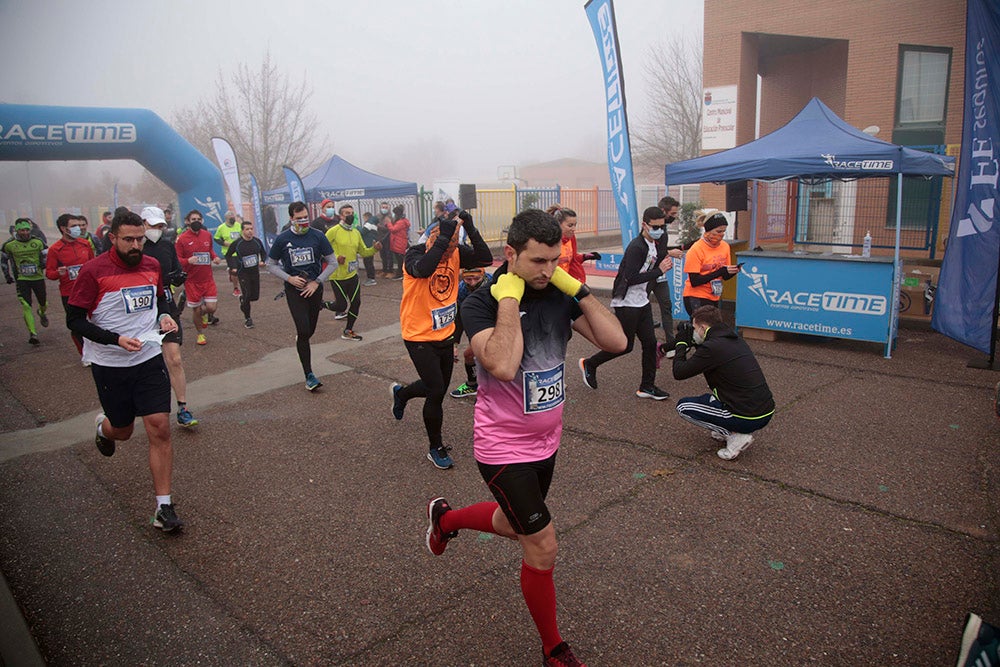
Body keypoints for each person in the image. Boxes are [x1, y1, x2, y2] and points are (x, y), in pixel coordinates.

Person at [425, 208, 626, 667]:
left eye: (555, 259)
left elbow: (616, 343)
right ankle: (553, 649)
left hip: (546, 442)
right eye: (538, 261)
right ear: (510, 253)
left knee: (517, 527)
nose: (548, 270)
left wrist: (578, 289)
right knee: (542, 542)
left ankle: (446, 521)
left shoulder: (557, 291)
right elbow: (501, 364)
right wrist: (509, 299)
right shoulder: (480, 302)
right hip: (501, 446)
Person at [66, 209, 184, 532]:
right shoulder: (93, 272)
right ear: (113, 238)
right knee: (124, 430)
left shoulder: (152, 265)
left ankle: (164, 507)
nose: (136, 246)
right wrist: (115, 340)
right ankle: (104, 428)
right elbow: (74, 320)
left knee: (159, 426)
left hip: (147, 357)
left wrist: (164, 315)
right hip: (110, 364)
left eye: (140, 239)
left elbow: (161, 299)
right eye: (128, 240)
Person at [390, 207, 491, 469]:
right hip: (418, 335)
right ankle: (435, 447)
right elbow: (424, 270)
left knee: (436, 387)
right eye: (444, 238)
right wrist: (444, 238)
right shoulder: (415, 254)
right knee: (435, 391)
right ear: (430, 235)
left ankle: (402, 394)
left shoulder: (455, 250)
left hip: (444, 333)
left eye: (454, 241)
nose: (450, 247)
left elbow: (485, 258)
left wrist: (468, 227)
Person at [579, 206, 673, 401]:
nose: (659, 230)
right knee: (625, 345)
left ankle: (647, 386)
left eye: (661, 227)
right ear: (644, 225)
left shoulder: (655, 243)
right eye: (655, 227)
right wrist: (660, 271)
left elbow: (656, 260)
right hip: (626, 303)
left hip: (642, 301)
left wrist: (672, 255)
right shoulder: (636, 247)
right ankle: (590, 363)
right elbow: (630, 278)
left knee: (650, 343)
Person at [672, 305, 774, 460]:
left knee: (684, 407)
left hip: (748, 416)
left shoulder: (712, 347)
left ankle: (734, 435)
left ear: (703, 327)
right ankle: (729, 428)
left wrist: (681, 345)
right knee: (711, 399)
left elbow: (679, 372)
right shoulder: (733, 339)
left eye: (694, 328)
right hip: (765, 410)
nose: (693, 332)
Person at [265, 201, 338, 391]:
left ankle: (302, 339)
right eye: (299, 219)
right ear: (291, 219)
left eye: (306, 217)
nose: (303, 221)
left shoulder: (318, 236)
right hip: (294, 291)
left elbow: (332, 263)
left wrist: (317, 282)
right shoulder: (283, 239)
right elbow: (270, 264)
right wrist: (289, 278)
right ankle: (309, 375)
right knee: (304, 330)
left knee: (309, 331)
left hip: (314, 289)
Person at [140, 206, 199, 428]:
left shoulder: (166, 246)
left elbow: (175, 273)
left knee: (174, 358)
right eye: (153, 226)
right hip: (142, 310)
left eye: (160, 226)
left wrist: (177, 277)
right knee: (148, 363)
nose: (157, 230)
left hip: (166, 304)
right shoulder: (135, 248)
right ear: (143, 224)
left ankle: (183, 408)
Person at [322, 204, 381, 341]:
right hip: (337, 275)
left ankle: (348, 330)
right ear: (341, 216)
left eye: (352, 213)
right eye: (347, 213)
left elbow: (364, 251)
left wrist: (374, 249)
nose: (350, 215)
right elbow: (322, 249)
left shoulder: (356, 232)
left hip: (352, 275)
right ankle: (321, 304)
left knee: (356, 303)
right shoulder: (333, 231)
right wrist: (336, 258)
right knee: (341, 305)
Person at [45, 213, 95, 355]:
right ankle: (85, 354)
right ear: (64, 229)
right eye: (74, 226)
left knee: (95, 322)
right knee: (77, 325)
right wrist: (58, 273)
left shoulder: (85, 244)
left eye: (79, 226)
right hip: (70, 293)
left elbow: (94, 264)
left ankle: (98, 350)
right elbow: (49, 273)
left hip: (89, 290)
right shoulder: (55, 249)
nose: (78, 229)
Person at [175, 209, 222, 345]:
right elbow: (177, 259)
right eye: (193, 220)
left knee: (212, 307)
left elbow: (210, 250)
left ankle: (205, 313)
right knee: (196, 309)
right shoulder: (182, 239)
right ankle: (200, 334)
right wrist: (187, 261)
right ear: (187, 222)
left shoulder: (207, 235)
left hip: (207, 278)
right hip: (192, 281)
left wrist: (215, 257)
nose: (196, 222)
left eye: (198, 220)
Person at [448, 267, 494, 399]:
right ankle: (473, 385)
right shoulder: (461, 289)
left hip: (495, 322)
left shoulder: (493, 284)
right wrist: (454, 344)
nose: (472, 283)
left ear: (483, 275)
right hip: (476, 323)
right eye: (468, 279)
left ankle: (493, 392)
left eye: (476, 278)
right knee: (469, 355)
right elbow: (460, 317)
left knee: (488, 358)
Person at [682, 211, 738, 316]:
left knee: (712, 329)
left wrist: (733, 271)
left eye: (724, 231)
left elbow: (724, 276)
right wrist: (719, 272)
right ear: (708, 231)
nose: (721, 234)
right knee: (703, 328)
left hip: (714, 295)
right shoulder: (696, 249)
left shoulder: (725, 247)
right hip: (696, 296)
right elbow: (694, 281)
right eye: (718, 231)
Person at [2, 219, 49, 345]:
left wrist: (44, 266)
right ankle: (33, 333)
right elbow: (3, 260)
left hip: (38, 278)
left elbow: (46, 255)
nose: (25, 232)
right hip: (22, 279)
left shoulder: (38, 242)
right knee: (26, 305)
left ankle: (42, 312)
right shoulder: (9, 244)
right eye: (22, 230)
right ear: (17, 230)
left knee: (43, 302)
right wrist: (7, 276)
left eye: (27, 229)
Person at [650, 196, 686, 355]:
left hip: (661, 275)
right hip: (647, 274)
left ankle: (670, 344)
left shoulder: (664, 228)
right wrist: (669, 252)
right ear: (663, 211)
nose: (674, 216)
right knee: (637, 307)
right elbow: (649, 250)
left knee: (666, 306)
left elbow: (661, 248)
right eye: (672, 213)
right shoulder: (652, 229)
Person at [226, 220, 267, 328]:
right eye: (247, 229)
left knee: (255, 297)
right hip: (243, 273)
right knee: (247, 295)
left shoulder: (257, 241)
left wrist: (263, 260)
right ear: (242, 231)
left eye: (251, 229)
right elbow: (228, 255)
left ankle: (242, 300)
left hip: (254, 272)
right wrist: (233, 266)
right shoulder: (238, 243)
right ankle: (248, 318)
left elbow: (263, 252)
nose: (250, 231)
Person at [547, 205, 599, 283]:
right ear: (558, 224)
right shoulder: (548, 241)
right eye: (570, 225)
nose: (574, 229)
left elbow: (572, 260)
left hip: (567, 282)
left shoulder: (571, 239)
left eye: (575, 225)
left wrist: (585, 257)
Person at [213, 211, 243, 297]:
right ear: (226, 219)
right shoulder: (221, 228)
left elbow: (242, 235)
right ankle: (236, 288)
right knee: (235, 271)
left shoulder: (238, 225)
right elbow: (216, 238)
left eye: (233, 217)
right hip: (229, 252)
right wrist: (224, 243)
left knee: (241, 270)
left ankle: (233, 274)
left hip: (239, 251)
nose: (233, 219)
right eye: (231, 218)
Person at [384, 204, 411, 280]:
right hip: (398, 242)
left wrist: (388, 223)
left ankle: (400, 274)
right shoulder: (401, 221)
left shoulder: (401, 222)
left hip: (399, 242)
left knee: (400, 260)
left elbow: (393, 229)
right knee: (400, 259)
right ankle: (400, 273)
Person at [359, 212, 379, 286]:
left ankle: (371, 278)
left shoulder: (369, 223)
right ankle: (371, 278)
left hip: (368, 245)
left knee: (368, 262)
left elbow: (362, 232)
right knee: (369, 262)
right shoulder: (373, 223)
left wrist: (357, 227)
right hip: (370, 244)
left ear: (366, 217)